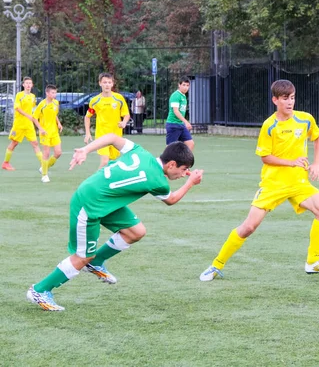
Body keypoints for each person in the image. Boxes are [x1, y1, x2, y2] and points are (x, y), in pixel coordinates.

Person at [26, 133, 203, 311]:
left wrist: (85, 150)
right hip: (90, 205)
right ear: (171, 164)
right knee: (82, 256)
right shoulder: (158, 181)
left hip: (103, 198)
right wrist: (190, 183)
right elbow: (171, 200)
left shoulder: (140, 152)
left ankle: (96, 262)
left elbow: (111, 137)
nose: (184, 173)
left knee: (136, 232)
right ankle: (40, 290)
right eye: (183, 169)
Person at [199, 79, 319, 282]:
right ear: (275, 100)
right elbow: (265, 157)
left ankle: (313, 262)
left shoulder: (305, 119)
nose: (290, 102)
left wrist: (317, 164)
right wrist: (292, 162)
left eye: (292, 98)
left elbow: (317, 138)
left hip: (298, 184)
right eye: (285, 99)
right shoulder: (269, 125)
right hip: (273, 184)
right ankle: (216, 265)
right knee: (248, 227)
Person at [84, 73, 131, 168]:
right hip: (102, 135)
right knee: (105, 161)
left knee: (112, 163)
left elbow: (126, 114)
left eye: (109, 82)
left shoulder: (119, 98)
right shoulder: (95, 101)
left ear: (112, 84)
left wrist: (124, 122)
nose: (107, 84)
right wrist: (88, 133)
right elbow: (87, 116)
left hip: (116, 135)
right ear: (100, 83)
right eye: (104, 82)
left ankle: (107, 182)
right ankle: (96, 182)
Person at [2, 77, 46, 171]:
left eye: (30, 83)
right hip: (19, 124)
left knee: (35, 143)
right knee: (14, 143)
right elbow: (17, 108)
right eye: (26, 83)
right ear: (23, 85)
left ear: (32, 85)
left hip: (29, 125)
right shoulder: (19, 95)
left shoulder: (33, 97)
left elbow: (32, 109)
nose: (28, 85)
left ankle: (43, 164)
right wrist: (28, 116)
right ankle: (5, 163)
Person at [33, 84, 63, 183]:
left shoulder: (56, 103)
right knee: (46, 153)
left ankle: (43, 167)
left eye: (55, 92)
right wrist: (40, 129)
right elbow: (34, 118)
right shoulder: (42, 104)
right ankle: (44, 175)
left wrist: (58, 123)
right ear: (47, 93)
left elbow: (54, 115)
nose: (55, 94)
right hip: (45, 133)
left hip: (54, 132)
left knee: (58, 153)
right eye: (53, 93)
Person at [166, 76, 194, 151]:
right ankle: (164, 161)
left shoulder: (183, 96)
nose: (186, 87)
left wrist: (184, 122)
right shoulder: (176, 95)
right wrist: (186, 122)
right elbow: (176, 111)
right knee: (170, 149)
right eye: (184, 85)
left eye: (187, 85)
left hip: (181, 125)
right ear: (179, 85)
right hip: (173, 124)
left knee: (190, 143)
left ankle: (183, 161)